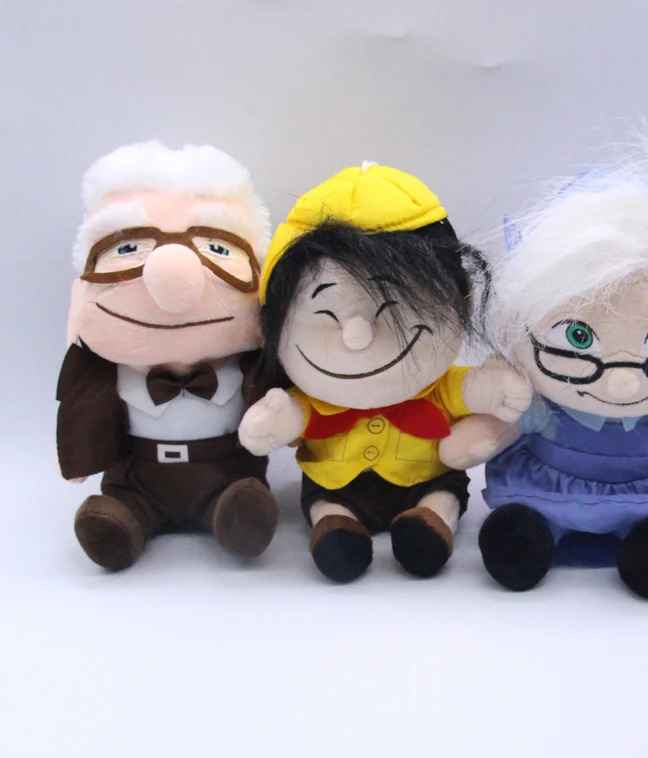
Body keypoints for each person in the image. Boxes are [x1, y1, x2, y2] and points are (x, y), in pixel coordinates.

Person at [439, 151, 648, 599]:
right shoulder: (542, 406)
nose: (622, 382)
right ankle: (532, 534)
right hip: (547, 494)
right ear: (515, 329)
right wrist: (475, 441)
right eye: (577, 337)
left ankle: (647, 542)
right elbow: (496, 431)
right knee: (517, 539)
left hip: (645, 501)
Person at [239, 162, 530, 583]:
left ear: (461, 301)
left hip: (425, 479)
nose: (357, 336)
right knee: (326, 502)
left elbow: (471, 389)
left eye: (393, 309)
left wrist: (494, 389)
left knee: (442, 494)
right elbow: (293, 415)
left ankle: (432, 521)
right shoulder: (312, 397)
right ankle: (336, 527)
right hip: (334, 485)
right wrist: (275, 419)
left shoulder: (436, 387)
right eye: (326, 314)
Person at [57, 142, 279, 570]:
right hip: (136, 482)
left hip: (226, 475)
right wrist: (76, 456)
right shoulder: (106, 375)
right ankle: (122, 520)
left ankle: (236, 513)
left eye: (217, 248)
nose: (171, 272)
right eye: (127, 248)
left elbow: (277, 403)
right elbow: (86, 412)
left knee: (243, 504)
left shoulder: (248, 367)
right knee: (117, 512)